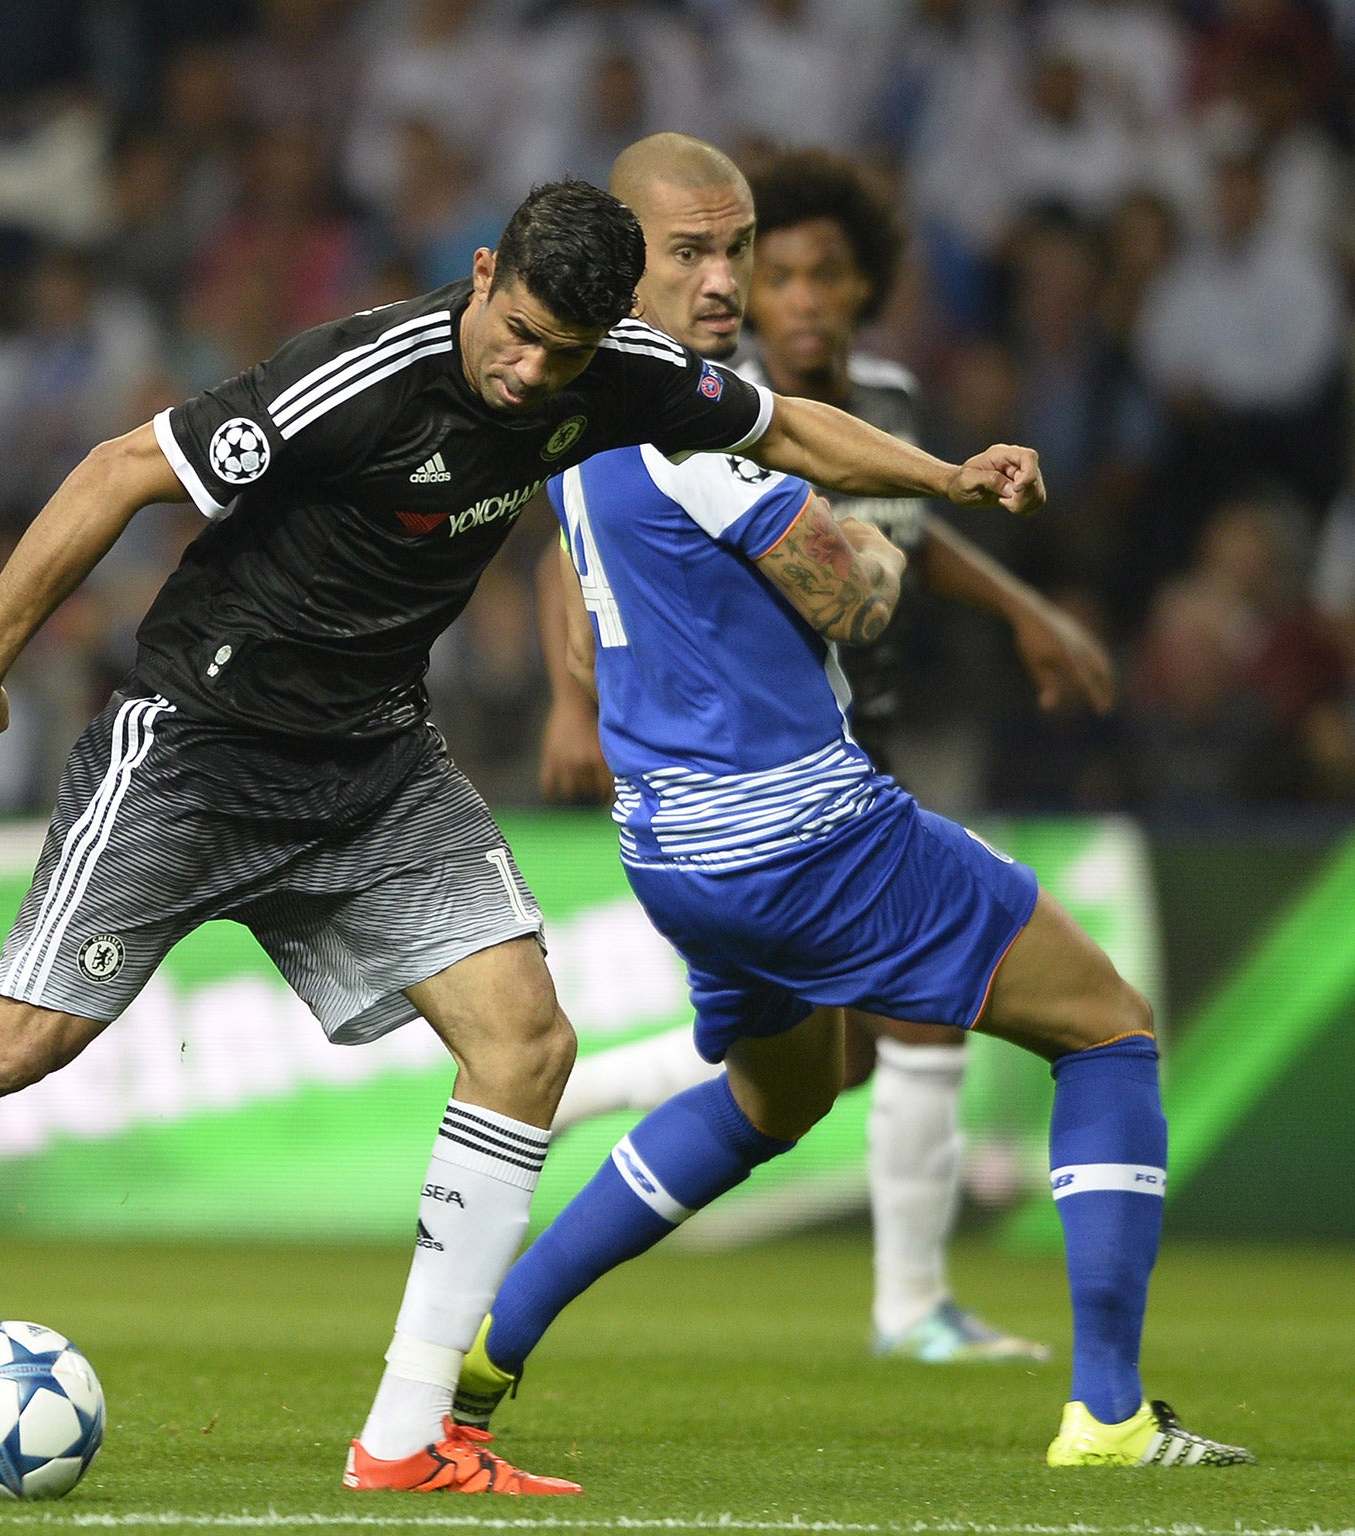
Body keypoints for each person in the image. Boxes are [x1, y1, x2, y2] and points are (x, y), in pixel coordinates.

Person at [0, 173, 1046, 1495]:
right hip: (198, 748)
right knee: (15, 1044)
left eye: (560, 356)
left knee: (526, 1043)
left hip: (375, 766)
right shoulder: (358, 378)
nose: (528, 377)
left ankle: (405, 1438)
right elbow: (122, 472)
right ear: (480, 278)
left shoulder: (625, 375)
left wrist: (951, 472)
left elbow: (795, 433)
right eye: (513, 333)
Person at [450, 134, 1249, 1473]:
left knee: (778, 1096)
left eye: (739, 249)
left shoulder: (580, 410)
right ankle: (1108, 1413)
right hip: (805, 834)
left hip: (673, 854)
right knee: (1109, 1033)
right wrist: (867, 529)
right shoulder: (694, 420)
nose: (725, 281)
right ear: (626, 258)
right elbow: (857, 593)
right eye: (689, 252)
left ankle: (493, 1340)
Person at [539, 147, 1116, 1363]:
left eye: (807, 272)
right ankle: (930, 1315)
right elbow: (840, 576)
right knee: (1019, 1026)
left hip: (846, 734)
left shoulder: (889, 404)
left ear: (862, 290)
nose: (781, 295)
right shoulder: (696, 398)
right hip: (779, 773)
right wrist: (568, 695)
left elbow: (910, 524)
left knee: (816, 1074)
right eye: (756, 265)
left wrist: (1026, 610)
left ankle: (583, 1182)